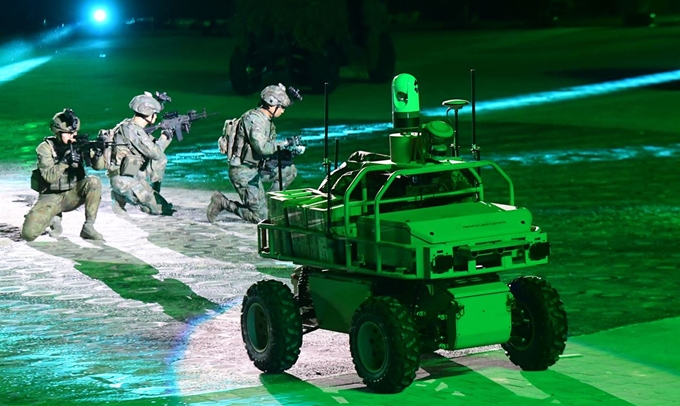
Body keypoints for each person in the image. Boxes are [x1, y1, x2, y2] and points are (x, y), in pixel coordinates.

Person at [207, 83, 303, 223]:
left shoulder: (267, 120)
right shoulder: (254, 120)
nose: (283, 111)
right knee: (261, 218)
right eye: (281, 107)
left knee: (289, 171)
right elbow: (262, 148)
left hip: (257, 167)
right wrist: (285, 143)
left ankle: (269, 205)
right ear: (271, 104)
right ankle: (222, 202)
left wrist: (284, 153)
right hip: (243, 172)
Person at [21, 109, 105, 241]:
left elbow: (98, 167)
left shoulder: (78, 144)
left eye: (75, 132)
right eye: (69, 133)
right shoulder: (45, 148)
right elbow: (50, 177)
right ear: (57, 132)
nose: (73, 136)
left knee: (94, 182)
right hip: (51, 196)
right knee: (28, 234)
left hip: (72, 193)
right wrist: (65, 161)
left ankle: (88, 226)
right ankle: (54, 217)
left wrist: (99, 153)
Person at [107, 92, 174, 216]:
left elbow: (154, 152)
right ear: (149, 114)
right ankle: (120, 196)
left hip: (126, 173)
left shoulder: (127, 125)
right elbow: (156, 153)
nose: (156, 117)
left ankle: (122, 196)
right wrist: (165, 137)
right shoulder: (135, 131)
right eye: (155, 113)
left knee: (161, 160)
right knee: (160, 209)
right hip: (123, 179)